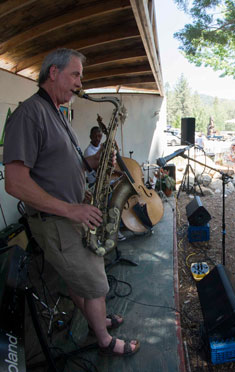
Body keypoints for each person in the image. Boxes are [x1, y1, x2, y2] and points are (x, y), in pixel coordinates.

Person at [3, 49, 139, 357]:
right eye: (75, 75)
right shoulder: (29, 114)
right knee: (95, 283)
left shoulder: (57, 113)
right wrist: (70, 208)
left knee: (81, 280)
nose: (80, 83)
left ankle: (97, 320)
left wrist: (94, 161)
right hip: (58, 220)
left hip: (73, 214)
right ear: (53, 73)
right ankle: (103, 339)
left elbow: (64, 165)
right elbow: (15, 183)